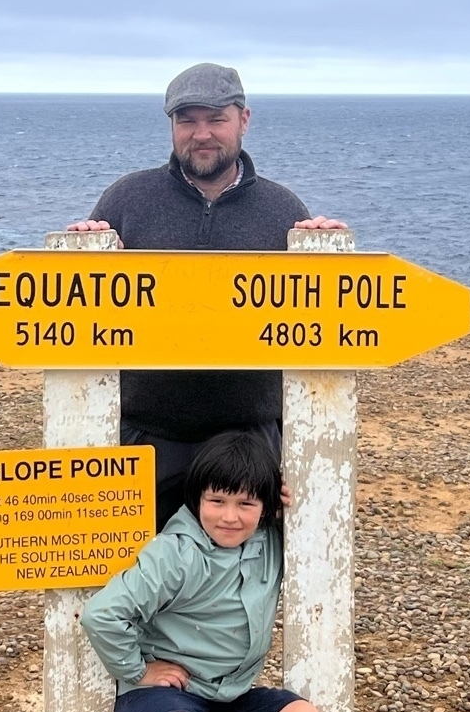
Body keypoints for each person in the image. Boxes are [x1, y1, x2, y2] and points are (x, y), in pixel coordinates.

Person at [66, 61, 346, 533]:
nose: (202, 134)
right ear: (171, 126)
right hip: (144, 433)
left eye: (216, 119)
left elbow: (321, 313)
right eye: (187, 120)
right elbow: (84, 303)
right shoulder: (127, 199)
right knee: (130, 576)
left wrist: (330, 254)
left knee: (236, 584)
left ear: (244, 120)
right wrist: (83, 250)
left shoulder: (282, 208)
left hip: (249, 437)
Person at [79, 429, 323, 712]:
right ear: (196, 499)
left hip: (227, 694)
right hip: (164, 695)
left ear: (266, 508)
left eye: (246, 505)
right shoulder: (175, 553)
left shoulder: (273, 541)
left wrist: (302, 501)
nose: (230, 517)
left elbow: (321, 517)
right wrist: (138, 671)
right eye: (217, 501)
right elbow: (102, 614)